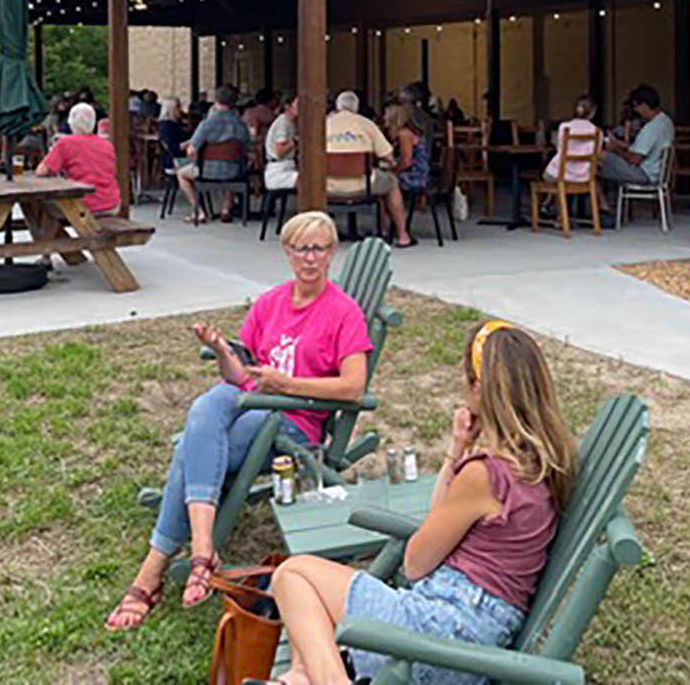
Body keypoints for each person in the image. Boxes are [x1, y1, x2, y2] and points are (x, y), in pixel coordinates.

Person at [262, 321, 573, 685]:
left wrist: (461, 459)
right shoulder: (543, 462)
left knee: (291, 575)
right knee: (310, 629)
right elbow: (440, 523)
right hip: (478, 634)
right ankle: (299, 679)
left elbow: (414, 564)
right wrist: (458, 448)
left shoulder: (486, 476)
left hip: (443, 637)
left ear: (478, 389)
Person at [105, 211, 371, 631]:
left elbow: (354, 388)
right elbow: (242, 376)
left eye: (320, 248)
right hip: (251, 403)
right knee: (208, 405)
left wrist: (288, 383)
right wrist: (223, 352)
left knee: (192, 451)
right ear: (287, 252)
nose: (310, 258)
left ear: (332, 253)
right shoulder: (271, 302)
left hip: (292, 421)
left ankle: (153, 571)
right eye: (302, 248)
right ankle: (203, 547)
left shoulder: (344, 312)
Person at [326, 91, 416, 248]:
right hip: (362, 185)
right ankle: (403, 235)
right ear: (356, 108)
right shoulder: (366, 124)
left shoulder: (323, 124)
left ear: (337, 107)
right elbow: (388, 156)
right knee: (391, 183)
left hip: (328, 186)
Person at [598, 85, 675, 222]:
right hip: (655, 172)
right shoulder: (666, 122)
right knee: (595, 165)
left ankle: (601, 209)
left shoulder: (652, 128)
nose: (636, 111)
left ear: (644, 105)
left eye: (637, 107)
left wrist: (615, 149)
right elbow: (638, 148)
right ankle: (602, 207)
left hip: (644, 173)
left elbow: (635, 159)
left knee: (597, 159)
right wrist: (619, 145)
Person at [177, 85, 251, 222]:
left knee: (181, 174)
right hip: (233, 171)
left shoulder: (207, 123)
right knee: (234, 165)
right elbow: (246, 148)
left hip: (207, 171)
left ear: (216, 100)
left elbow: (191, 150)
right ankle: (225, 209)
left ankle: (199, 211)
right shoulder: (241, 124)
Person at [36, 102, 120, 214]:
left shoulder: (65, 143)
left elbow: (42, 171)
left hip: (85, 205)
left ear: (71, 123)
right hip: (112, 204)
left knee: (40, 204)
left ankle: (47, 232)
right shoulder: (106, 144)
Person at [543, 95, 600, 184]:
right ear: (593, 113)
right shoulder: (597, 131)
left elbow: (559, 148)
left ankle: (558, 197)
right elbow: (597, 154)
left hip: (560, 173)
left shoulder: (564, 127)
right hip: (584, 175)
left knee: (547, 175)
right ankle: (562, 197)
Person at [383, 102, 430, 199]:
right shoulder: (404, 133)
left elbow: (406, 161)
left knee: (382, 182)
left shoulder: (405, 134)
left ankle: (390, 213)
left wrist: (393, 170)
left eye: (386, 114)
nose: (384, 117)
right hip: (414, 173)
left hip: (415, 176)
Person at [264, 96, 299, 192]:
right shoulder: (283, 123)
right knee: (309, 180)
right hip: (278, 170)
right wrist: (295, 142)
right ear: (288, 107)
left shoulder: (291, 123)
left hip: (286, 166)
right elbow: (279, 152)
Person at [155, 97, 187, 169]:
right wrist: (190, 142)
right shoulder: (167, 127)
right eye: (178, 107)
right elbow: (174, 149)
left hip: (177, 158)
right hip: (174, 161)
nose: (181, 110)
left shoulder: (173, 124)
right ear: (172, 109)